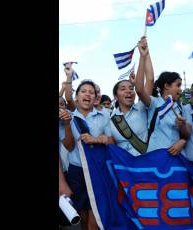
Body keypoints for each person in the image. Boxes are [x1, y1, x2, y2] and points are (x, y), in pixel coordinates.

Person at [66, 79, 113, 230]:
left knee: (96, 215)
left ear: (95, 97)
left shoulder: (104, 116)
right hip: (77, 172)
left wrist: (97, 139)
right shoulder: (68, 118)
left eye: (91, 92)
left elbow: (112, 141)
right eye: (84, 91)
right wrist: (67, 125)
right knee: (82, 215)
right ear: (77, 96)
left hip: (98, 170)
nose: (88, 95)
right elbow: (68, 146)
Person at [134, 36, 191, 155]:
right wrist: (143, 56)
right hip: (155, 159)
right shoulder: (154, 103)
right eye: (178, 85)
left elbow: (187, 135)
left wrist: (182, 128)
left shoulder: (181, 108)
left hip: (176, 161)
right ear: (167, 86)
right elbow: (140, 88)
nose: (181, 89)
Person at [109, 38, 154, 157]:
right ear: (115, 96)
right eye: (123, 89)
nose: (128, 91)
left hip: (146, 163)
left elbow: (149, 79)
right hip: (125, 170)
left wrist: (144, 55)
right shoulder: (109, 119)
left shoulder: (142, 107)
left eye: (131, 88)